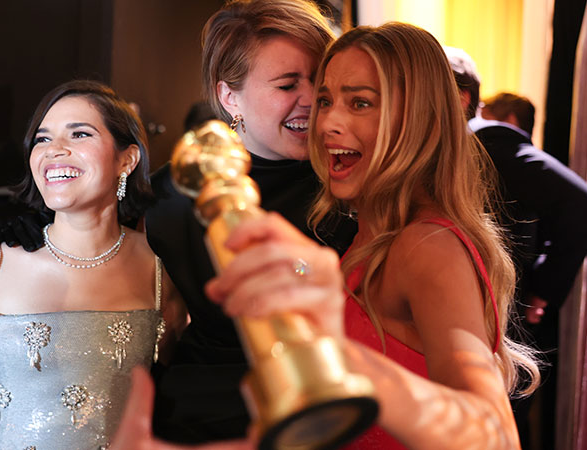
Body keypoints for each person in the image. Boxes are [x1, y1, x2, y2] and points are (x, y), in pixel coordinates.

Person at [203, 22, 541, 448]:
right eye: (325, 101)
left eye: (360, 103)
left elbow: (494, 435)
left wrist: (338, 353)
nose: (327, 123)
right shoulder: (366, 239)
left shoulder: (428, 247)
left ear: (420, 120)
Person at [144, 0, 356, 442]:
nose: (311, 100)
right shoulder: (167, 193)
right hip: (197, 419)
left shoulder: (349, 181)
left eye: (318, 80)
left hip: (329, 412)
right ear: (228, 96)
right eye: (286, 84)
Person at [0, 80, 184, 449]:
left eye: (79, 134)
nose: (55, 150)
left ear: (126, 159)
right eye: (42, 139)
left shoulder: (160, 272)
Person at [446, 47, 587, 449]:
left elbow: (579, 204)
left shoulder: (490, 144)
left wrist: (542, 287)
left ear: (461, 99)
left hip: (501, 326)